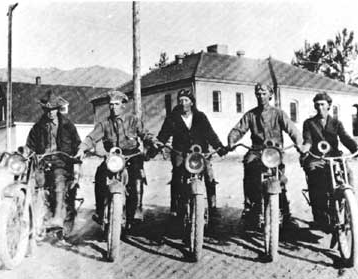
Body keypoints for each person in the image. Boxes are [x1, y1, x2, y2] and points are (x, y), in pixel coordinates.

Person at [227, 82, 303, 228]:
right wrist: (231, 140)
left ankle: (286, 214)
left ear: (270, 95)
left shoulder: (278, 113)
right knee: (249, 166)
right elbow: (238, 129)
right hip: (256, 150)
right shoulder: (251, 114)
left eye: (264, 93)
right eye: (258, 94)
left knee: (280, 178)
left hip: (275, 151)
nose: (261, 96)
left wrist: (299, 143)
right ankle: (249, 207)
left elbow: (292, 129)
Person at [76, 90, 156, 226]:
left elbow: (144, 134)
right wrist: (82, 147)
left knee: (137, 176)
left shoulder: (133, 120)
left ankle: (136, 210)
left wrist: (152, 141)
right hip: (113, 156)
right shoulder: (104, 124)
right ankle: (100, 211)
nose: (113, 107)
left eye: (116, 104)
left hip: (131, 155)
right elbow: (92, 137)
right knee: (100, 174)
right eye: (111, 104)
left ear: (123, 106)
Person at [156, 89, 228, 219]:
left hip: (200, 153)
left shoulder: (200, 117)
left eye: (186, 100)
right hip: (180, 152)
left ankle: (212, 205)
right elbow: (163, 135)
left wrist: (220, 147)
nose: (183, 103)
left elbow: (210, 134)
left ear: (192, 102)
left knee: (209, 174)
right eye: (181, 101)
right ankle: (175, 207)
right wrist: (154, 149)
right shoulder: (172, 117)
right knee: (177, 175)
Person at [301, 92, 358, 228]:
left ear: (329, 105)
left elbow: (345, 138)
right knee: (314, 176)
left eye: (322, 104)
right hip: (317, 157)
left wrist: (356, 149)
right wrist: (305, 149)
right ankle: (319, 215)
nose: (320, 108)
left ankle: (348, 203)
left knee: (348, 173)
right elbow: (308, 140)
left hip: (334, 156)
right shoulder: (309, 123)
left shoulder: (336, 123)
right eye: (317, 105)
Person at [26, 90, 81, 228]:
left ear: (58, 109)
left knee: (58, 179)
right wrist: (27, 152)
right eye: (47, 110)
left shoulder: (68, 126)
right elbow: (30, 145)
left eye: (53, 109)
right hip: (43, 161)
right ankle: (31, 215)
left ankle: (57, 217)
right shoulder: (38, 126)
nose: (50, 112)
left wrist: (78, 155)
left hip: (61, 163)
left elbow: (77, 145)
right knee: (35, 181)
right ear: (44, 110)